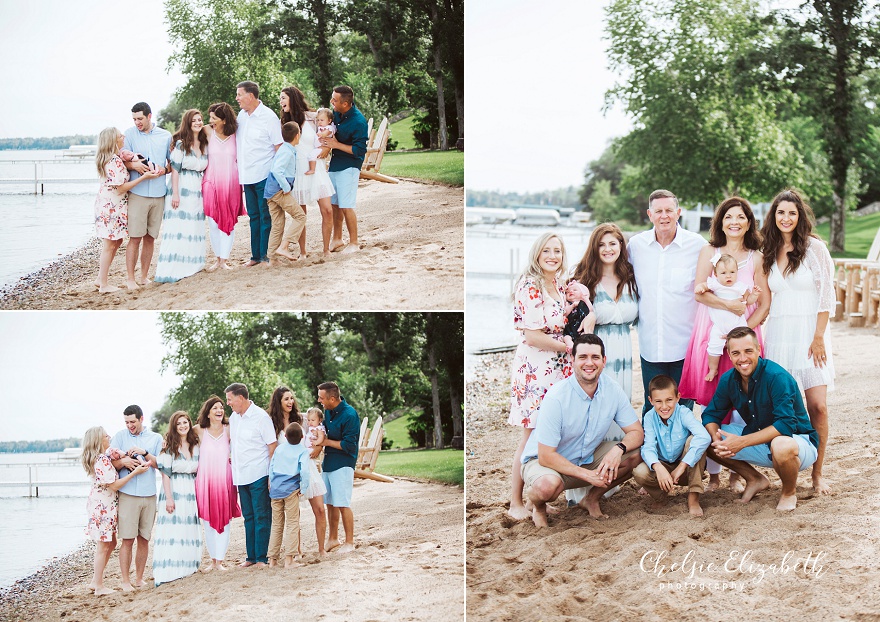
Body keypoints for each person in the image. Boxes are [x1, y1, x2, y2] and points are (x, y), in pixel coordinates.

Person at [678, 196, 770, 491]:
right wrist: (728, 307)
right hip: (712, 332)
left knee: (746, 402)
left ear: (748, 222)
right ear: (721, 221)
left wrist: (745, 331)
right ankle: (715, 472)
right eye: (729, 216)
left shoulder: (756, 256)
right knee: (715, 401)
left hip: (745, 335)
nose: (734, 222)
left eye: (740, 217)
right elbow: (699, 292)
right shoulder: (710, 251)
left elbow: (764, 302)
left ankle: (740, 471)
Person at [520, 334, 645, 527]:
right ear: (572, 361)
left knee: (637, 455)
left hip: (586, 458)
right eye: (583, 357)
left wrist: (618, 448)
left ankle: (590, 499)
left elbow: (637, 432)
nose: (589, 363)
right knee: (546, 488)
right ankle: (537, 507)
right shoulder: (557, 397)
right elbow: (545, 456)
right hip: (548, 464)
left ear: (604, 361)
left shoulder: (612, 390)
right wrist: (587, 475)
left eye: (595, 357)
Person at [761, 188, 835, 495]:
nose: (786, 218)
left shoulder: (814, 248)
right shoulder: (768, 249)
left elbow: (826, 294)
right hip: (779, 334)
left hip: (810, 333)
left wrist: (818, 337)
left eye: (792, 213)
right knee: (784, 408)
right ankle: (787, 472)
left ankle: (817, 474)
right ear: (773, 216)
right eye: (780, 213)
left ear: (800, 216)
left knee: (817, 406)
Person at [701, 327, 819, 511]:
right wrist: (716, 440)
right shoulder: (729, 379)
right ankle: (754, 479)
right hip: (760, 440)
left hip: (797, 443)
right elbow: (710, 414)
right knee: (703, 438)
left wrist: (741, 442)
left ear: (758, 350)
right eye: (736, 353)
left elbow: (786, 424)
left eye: (748, 351)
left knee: (781, 445)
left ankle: (789, 492)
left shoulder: (776, 377)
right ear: (729, 356)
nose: (743, 359)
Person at [507, 232, 577, 521]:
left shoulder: (559, 285)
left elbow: (564, 320)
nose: (552, 255)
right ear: (537, 254)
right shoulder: (530, 285)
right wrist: (568, 346)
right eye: (547, 250)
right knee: (531, 435)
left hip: (561, 368)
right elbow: (533, 336)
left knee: (552, 435)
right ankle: (515, 502)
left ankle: (541, 495)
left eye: (557, 251)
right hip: (536, 370)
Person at [568, 222, 639, 504]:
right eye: (602, 244)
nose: (608, 249)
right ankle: (583, 486)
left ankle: (608, 484)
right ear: (594, 248)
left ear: (622, 246)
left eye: (613, 243)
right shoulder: (584, 282)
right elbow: (571, 325)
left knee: (617, 417)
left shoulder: (631, 278)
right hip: (596, 355)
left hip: (624, 353)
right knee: (592, 417)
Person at [628, 189, 706, 415]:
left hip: (686, 345)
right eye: (658, 211)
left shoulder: (697, 245)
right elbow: (612, 274)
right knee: (651, 404)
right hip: (650, 344)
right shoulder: (636, 246)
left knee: (682, 407)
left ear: (678, 212)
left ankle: (679, 450)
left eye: (669, 210)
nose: (664, 216)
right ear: (649, 214)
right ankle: (650, 449)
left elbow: (720, 275)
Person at [81, 426, 150, 596]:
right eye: (106, 435)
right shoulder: (101, 461)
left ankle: (94, 581)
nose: (109, 436)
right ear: (98, 440)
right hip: (103, 508)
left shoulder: (105, 455)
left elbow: (116, 452)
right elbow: (114, 485)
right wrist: (135, 473)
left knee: (111, 543)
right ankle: (98, 586)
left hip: (108, 506)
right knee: (103, 546)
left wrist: (126, 455)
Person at [93, 127, 162, 292]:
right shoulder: (112, 161)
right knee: (109, 244)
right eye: (119, 136)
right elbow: (120, 188)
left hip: (114, 205)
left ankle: (99, 278)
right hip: (111, 207)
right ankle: (104, 284)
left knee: (116, 241)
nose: (123, 136)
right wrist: (144, 177)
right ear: (112, 140)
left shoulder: (115, 158)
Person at [632, 375, 710, 516]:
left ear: (678, 397)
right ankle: (661, 496)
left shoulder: (683, 413)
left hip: (686, 469)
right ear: (650, 401)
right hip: (664, 468)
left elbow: (704, 436)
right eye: (658, 401)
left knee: (695, 441)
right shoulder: (650, 417)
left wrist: (682, 466)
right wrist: (658, 467)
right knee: (640, 472)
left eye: (669, 400)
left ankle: (694, 497)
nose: (664, 406)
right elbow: (648, 447)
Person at [108, 404, 163, 591]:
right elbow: (109, 463)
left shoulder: (155, 438)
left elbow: (160, 465)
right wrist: (123, 461)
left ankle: (139, 578)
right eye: (126, 422)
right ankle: (125, 581)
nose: (129, 425)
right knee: (127, 540)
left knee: (144, 539)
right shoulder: (119, 437)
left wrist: (144, 453)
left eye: (132, 421)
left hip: (149, 495)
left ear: (141, 419)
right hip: (128, 495)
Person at [268, 386, 327, 556]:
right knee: (294, 515)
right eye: (286, 399)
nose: (290, 402)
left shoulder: (302, 419)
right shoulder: (273, 424)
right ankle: (297, 551)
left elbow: (319, 432)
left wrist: (318, 447)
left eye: (291, 398)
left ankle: (321, 549)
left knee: (320, 509)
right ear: (278, 402)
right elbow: (272, 452)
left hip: (307, 467)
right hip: (288, 474)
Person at [226, 382, 278, 567]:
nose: (228, 403)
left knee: (262, 515)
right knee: (248, 516)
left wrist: (272, 476)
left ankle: (262, 558)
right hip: (240, 475)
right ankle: (251, 557)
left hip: (259, 473)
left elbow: (272, 447)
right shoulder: (234, 418)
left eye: (230, 400)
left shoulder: (261, 417)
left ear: (241, 398)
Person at [154, 109, 209, 283]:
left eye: (200, 120)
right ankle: (175, 268)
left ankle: (193, 264)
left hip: (197, 191)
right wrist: (175, 194)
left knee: (193, 227)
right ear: (188, 123)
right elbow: (175, 171)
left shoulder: (204, 143)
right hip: (182, 188)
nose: (198, 123)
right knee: (179, 228)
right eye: (194, 120)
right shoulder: (180, 145)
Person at [122, 102, 172, 290]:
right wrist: (134, 166)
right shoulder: (129, 135)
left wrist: (163, 170)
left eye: (140, 119)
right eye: (134, 119)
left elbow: (172, 164)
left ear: (150, 116)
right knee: (135, 238)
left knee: (151, 237)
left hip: (159, 194)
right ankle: (130, 279)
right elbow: (121, 162)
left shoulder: (165, 136)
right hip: (138, 194)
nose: (137, 123)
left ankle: (143, 277)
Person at [280, 86, 334, 257]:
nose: (280, 102)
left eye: (283, 98)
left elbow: (329, 131)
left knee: (327, 210)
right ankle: (303, 253)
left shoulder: (312, 118)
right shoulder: (284, 123)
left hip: (316, 168)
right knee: (300, 214)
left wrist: (326, 148)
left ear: (292, 99)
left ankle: (326, 250)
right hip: (297, 171)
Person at [235, 80, 283, 266]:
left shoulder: (269, 117)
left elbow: (279, 147)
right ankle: (255, 256)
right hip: (246, 175)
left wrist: (276, 175)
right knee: (253, 216)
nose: (237, 98)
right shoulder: (241, 116)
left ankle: (266, 255)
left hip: (265, 174)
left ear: (251, 96)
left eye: (240, 94)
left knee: (266, 216)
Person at [153, 411, 202, 586]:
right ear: (174, 427)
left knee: (187, 526)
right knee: (173, 529)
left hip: (190, 490)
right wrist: (169, 498)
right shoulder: (169, 447)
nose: (182, 426)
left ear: (189, 424)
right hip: (174, 489)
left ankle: (188, 566)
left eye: (185, 422)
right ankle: (171, 569)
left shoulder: (196, 444)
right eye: (179, 423)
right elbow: (165, 475)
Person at [695, 253, 760, 382]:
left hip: (738, 324)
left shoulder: (740, 287)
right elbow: (702, 286)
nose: (728, 276)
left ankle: (745, 371)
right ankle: (713, 369)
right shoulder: (714, 284)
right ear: (716, 274)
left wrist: (755, 294)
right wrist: (700, 288)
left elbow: (750, 300)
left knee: (742, 347)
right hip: (719, 325)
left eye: (732, 272)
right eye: (723, 273)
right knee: (713, 346)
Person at [194, 396, 241, 572]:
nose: (219, 410)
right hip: (204, 481)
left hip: (225, 480)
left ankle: (220, 561)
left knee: (224, 521)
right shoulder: (199, 430)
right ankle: (212, 560)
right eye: (215, 408)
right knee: (207, 521)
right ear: (208, 411)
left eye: (221, 407)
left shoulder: (229, 429)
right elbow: (179, 438)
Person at [313, 381, 360, 553]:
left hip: (343, 464)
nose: (319, 400)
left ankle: (349, 542)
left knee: (343, 503)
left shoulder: (350, 415)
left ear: (332, 398)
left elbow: (349, 446)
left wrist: (325, 442)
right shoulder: (328, 411)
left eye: (321, 397)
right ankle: (333, 539)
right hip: (329, 463)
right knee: (330, 503)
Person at [323, 85, 369, 253]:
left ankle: (354, 242)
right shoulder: (336, 114)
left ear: (345, 103)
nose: (331, 102)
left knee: (346, 205)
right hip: (335, 164)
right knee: (334, 204)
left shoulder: (358, 121)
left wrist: (336, 144)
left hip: (350, 167)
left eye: (334, 100)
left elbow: (358, 151)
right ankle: (337, 239)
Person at [203, 102, 244, 272]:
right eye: (210, 117)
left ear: (224, 120)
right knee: (213, 222)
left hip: (231, 183)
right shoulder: (207, 131)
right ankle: (217, 258)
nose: (210, 120)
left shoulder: (236, 134)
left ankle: (224, 260)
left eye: (214, 118)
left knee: (228, 221)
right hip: (210, 181)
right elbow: (186, 134)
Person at [268, 422, 311, 568]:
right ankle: (289, 560)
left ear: (285, 436)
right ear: (302, 437)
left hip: (276, 490)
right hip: (291, 490)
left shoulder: (279, 449)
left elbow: (271, 467)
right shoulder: (303, 451)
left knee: (276, 524)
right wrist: (303, 488)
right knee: (293, 523)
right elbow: (305, 471)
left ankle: (272, 559)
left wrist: (272, 484)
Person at [265, 122, 307, 267]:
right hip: (279, 190)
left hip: (270, 191)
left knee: (277, 224)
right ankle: (284, 246)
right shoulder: (287, 151)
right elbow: (277, 170)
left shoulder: (285, 149)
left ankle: (272, 258)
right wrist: (285, 186)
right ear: (297, 135)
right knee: (300, 216)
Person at [561, 280, 594, 352]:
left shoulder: (584, 302)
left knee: (586, 336)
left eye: (575, 290)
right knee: (566, 337)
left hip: (582, 327)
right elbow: (565, 313)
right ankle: (571, 346)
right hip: (570, 328)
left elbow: (591, 310)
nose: (571, 292)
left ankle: (584, 348)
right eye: (568, 292)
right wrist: (572, 306)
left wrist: (586, 299)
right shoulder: (568, 304)